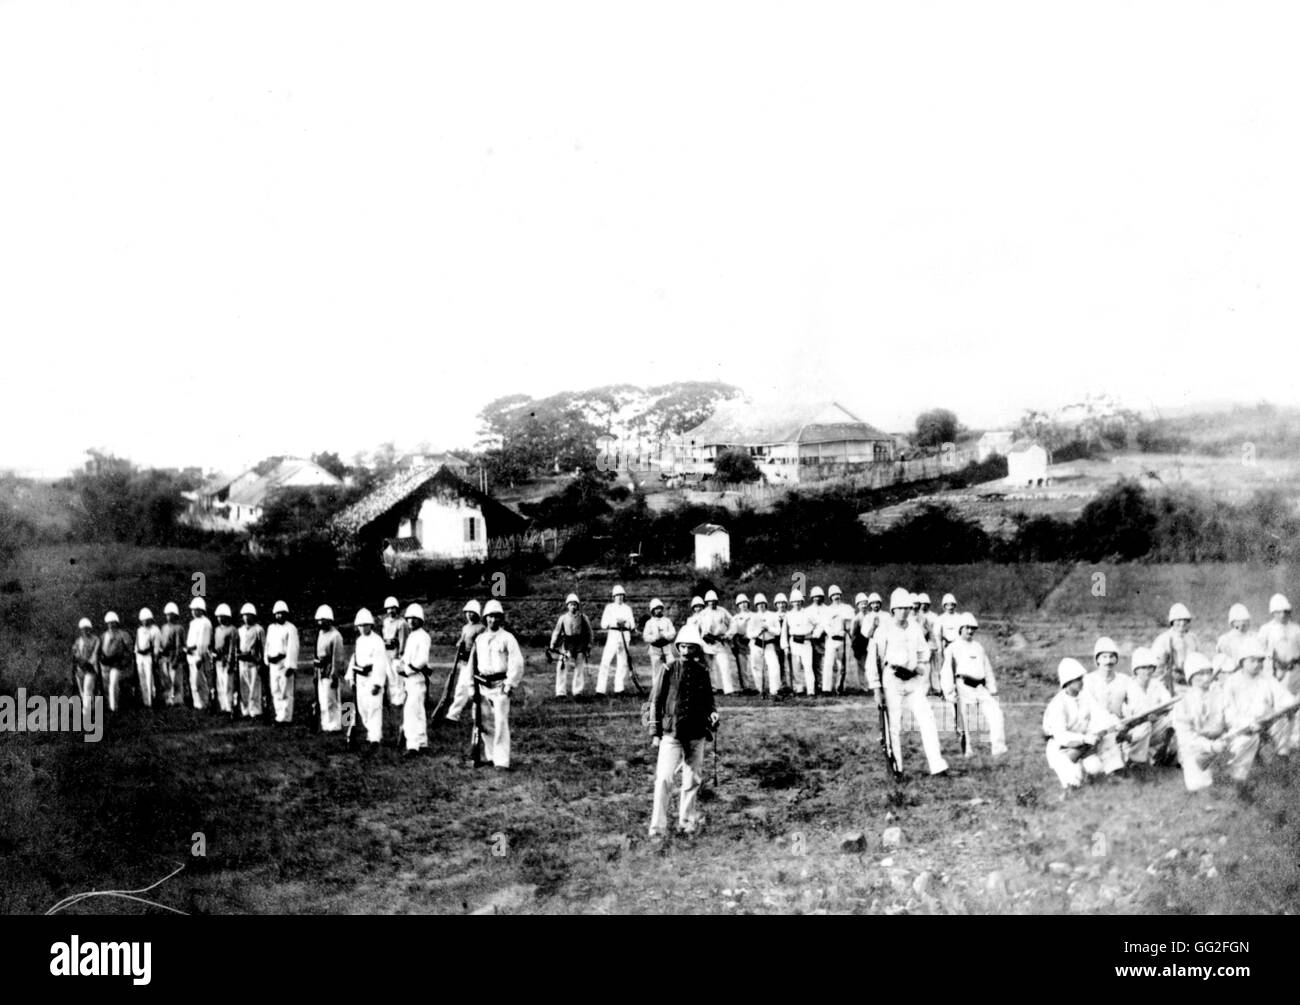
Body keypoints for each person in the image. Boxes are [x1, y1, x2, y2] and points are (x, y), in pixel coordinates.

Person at [646, 623, 719, 841]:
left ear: (697, 649)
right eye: (683, 647)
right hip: (672, 733)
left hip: (696, 733)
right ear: (678, 648)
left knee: (692, 780)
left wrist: (713, 714)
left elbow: (709, 702)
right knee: (664, 779)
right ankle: (657, 828)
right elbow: (656, 701)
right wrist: (655, 732)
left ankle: (687, 823)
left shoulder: (702, 672)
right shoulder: (668, 669)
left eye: (691, 648)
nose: (687, 652)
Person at [870, 588, 949, 777]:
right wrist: (876, 689)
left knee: (927, 718)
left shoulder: (914, 628)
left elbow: (924, 653)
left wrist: (917, 671)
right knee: (894, 725)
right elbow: (874, 660)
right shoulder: (883, 630)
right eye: (900, 608)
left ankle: (937, 765)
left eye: (907, 608)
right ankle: (896, 767)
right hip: (892, 679)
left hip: (912, 680)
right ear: (893, 610)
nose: (904, 611)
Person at [1222, 640, 1297, 787]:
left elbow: (1283, 697)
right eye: (1253, 661)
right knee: (1245, 742)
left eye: (1260, 661)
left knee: (1286, 719)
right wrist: (1247, 724)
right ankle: (1239, 782)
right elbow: (1229, 712)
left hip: (1266, 722)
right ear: (1242, 662)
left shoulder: (1267, 679)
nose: (1257, 664)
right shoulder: (1232, 682)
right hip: (1242, 726)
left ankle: (1282, 761)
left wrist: (1291, 705)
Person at [1042, 657, 1123, 790]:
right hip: (1060, 749)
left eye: (1081, 678)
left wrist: (1115, 723)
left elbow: (1100, 713)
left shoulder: (1085, 696)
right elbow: (1061, 736)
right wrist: (1084, 739)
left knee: (1095, 768)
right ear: (1068, 682)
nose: (1081, 682)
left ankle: (1111, 771)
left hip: (1084, 744)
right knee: (1074, 784)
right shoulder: (1058, 704)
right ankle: (1075, 772)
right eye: (1077, 679)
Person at [466, 599, 526, 769]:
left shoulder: (508, 638)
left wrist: (509, 685)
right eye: (490, 617)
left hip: (500, 686)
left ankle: (501, 761)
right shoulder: (480, 639)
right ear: (485, 618)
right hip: (482, 686)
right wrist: (471, 687)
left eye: (496, 617)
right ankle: (490, 755)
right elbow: (471, 665)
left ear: (501, 619)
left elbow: (517, 663)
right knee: (484, 723)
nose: (493, 620)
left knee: (500, 722)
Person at [940, 613, 1007, 757]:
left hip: (980, 687)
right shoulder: (952, 648)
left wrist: (992, 687)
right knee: (963, 720)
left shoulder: (978, 647)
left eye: (973, 629)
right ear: (960, 629)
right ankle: (967, 750)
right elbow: (946, 671)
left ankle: (998, 748)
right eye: (967, 628)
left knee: (996, 713)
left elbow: (987, 667)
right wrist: (949, 692)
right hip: (963, 686)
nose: (970, 631)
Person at [1171, 653, 1231, 792]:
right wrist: (1210, 746)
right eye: (1200, 674)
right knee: (1199, 787)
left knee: (1233, 781)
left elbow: (1232, 719)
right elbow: (1186, 737)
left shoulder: (1221, 696)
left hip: (1222, 742)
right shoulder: (1182, 704)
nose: (1205, 678)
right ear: (1191, 678)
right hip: (1196, 750)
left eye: (1208, 673)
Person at [1119, 647, 1176, 768]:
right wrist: (1144, 720)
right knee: (1145, 726)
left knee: (1175, 720)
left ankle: (1168, 754)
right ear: (1136, 670)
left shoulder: (1157, 685)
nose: (1147, 671)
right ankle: (1135, 760)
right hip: (1134, 733)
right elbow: (1125, 718)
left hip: (1154, 727)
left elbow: (1169, 704)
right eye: (1143, 668)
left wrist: (1160, 714)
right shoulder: (1128, 687)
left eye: (1150, 667)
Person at [1258, 593, 1300, 748]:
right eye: (1279, 612)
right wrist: (1271, 669)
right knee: (1279, 708)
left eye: (1286, 611)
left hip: (1296, 672)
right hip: (1276, 673)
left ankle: (1290, 743)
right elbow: (1260, 652)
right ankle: (1276, 742)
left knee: (1294, 707)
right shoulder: (1266, 630)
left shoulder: (1296, 629)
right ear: (1273, 613)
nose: (1283, 615)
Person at [347, 608, 387, 751]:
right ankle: (369, 733)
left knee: (374, 708)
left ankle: (375, 738)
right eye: (360, 625)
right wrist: (351, 677)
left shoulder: (377, 641)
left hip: (372, 678)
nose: (363, 628)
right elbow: (354, 659)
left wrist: (377, 683)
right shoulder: (359, 641)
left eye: (365, 625)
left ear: (371, 625)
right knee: (363, 709)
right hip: (360, 678)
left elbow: (381, 663)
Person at [397, 603, 432, 755]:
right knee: (418, 711)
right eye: (409, 618)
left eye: (415, 618)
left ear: (421, 620)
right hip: (410, 679)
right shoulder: (411, 636)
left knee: (411, 711)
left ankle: (412, 745)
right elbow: (406, 657)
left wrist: (407, 670)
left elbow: (422, 660)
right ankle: (422, 742)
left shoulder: (423, 636)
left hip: (416, 677)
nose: (411, 621)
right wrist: (400, 665)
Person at [443, 601, 486, 724]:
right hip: (465, 662)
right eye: (467, 612)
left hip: (476, 663)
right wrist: (459, 644)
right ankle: (453, 715)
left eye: (472, 613)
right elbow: (461, 640)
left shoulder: (481, 628)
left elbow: (480, 645)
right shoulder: (465, 627)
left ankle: (477, 716)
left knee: (475, 690)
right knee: (460, 688)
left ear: (477, 614)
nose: (469, 615)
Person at [550, 593, 593, 697]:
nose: (573, 607)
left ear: (578, 606)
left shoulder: (583, 617)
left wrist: (589, 645)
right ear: (567, 605)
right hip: (567, 643)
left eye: (575, 604)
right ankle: (560, 692)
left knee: (579, 667)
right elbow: (556, 631)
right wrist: (552, 643)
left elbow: (589, 632)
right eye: (571, 604)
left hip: (580, 643)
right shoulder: (563, 618)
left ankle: (577, 691)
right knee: (562, 666)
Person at [1150, 603, 1200, 693]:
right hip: (1170, 683)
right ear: (1172, 621)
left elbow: (1197, 661)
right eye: (1178, 620)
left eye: (1185, 620)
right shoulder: (1163, 639)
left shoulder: (1192, 638)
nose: (1182, 623)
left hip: (1189, 680)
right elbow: (1157, 668)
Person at [265, 600, 300, 724]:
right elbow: (267, 645)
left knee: (285, 690)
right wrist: (267, 659)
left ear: (286, 614)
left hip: (284, 663)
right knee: (275, 690)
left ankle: (286, 717)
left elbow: (293, 648)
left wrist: (290, 665)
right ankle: (278, 715)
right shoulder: (271, 628)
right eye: (277, 613)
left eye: (282, 613)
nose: (279, 616)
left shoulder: (291, 628)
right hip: (273, 664)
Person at [597, 585, 636, 695]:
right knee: (605, 661)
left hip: (624, 636)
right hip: (613, 635)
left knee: (622, 663)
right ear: (613, 597)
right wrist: (615, 623)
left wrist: (625, 623)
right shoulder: (609, 608)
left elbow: (632, 624)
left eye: (621, 595)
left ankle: (619, 688)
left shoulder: (628, 608)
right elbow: (603, 624)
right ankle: (600, 689)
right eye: (617, 595)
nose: (619, 597)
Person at [697, 590, 737, 696]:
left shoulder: (722, 611)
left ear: (717, 601)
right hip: (707, 642)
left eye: (714, 601)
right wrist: (700, 640)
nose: (712, 603)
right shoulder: (703, 613)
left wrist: (728, 635)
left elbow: (733, 623)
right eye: (709, 601)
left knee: (725, 666)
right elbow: (698, 629)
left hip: (719, 641)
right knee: (709, 668)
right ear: (706, 602)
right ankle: (712, 688)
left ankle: (728, 690)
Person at [381, 596, 410, 741]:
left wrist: (400, 656)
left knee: (398, 679)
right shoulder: (386, 622)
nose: (391, 611)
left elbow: (403, 641)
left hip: (396, 654)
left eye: (393, 608)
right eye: (389, 608)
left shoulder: (402, 623)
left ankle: (399, 700)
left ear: (397, 609)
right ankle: (392, 699)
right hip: (386, 653)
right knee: (389, 678)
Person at [313, 605, 346, 732]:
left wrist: (334, 675)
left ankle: (335, 725)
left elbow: (337, 658)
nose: (320, 622)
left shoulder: (336, 636)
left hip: (329, 670)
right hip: (320, 670)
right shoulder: (320, 634)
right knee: (323, 699)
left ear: (329, 620)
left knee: (332, 699)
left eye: (323, 620)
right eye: (319, 620)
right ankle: (326, 724)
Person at [1083, 636, 1131, 719]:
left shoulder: (1125, 680)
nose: (1108, 661)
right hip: (1096, 727)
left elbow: (1131, 704)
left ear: (1116, 659)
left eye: (1112, 656)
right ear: (1097, 660)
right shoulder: (1088, 680)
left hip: (1120, 725)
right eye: (1104, 657)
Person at [818, 586, 855, 694]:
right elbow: (825, 625)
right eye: (833, 595)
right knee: (828, 663)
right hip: (831, 640)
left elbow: (850, 625)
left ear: (840, 595)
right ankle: (826, 688)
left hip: (843, 640)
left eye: (838, 594)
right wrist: (831, 633)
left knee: (842, 665)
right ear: (830, 597)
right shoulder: (827, 610)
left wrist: (847, 630)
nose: (836, 597)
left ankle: (840, 687)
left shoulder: (847, 608)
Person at [782, 589, 817, 696]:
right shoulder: (788, 615)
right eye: (794, 601)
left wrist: (814, 634)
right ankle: (799, 689)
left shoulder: (808, 613)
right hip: (794, 643)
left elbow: (818, 624)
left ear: (802, 602)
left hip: (806, 643)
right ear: (791, 602)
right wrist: (785, 646)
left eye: (799, 601)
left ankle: (811, 691)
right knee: (796, 668)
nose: (797, 603)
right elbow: (784, 632)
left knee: (808, 667)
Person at [747, 593, 783, 697]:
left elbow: (778, 631)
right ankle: (760, 689)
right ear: (756, 605)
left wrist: (768, 628)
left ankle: (774, 690)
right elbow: (749, 633)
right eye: (758, 604)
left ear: (766, 604)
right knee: (757, 667)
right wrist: (758, 632)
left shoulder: (772, 615)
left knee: (774, 666)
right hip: (757, 644)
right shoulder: (753, 617)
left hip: (769, 644)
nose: (761, 605)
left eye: (763, 603)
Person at [98, 612, 134, 713]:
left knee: (113, 684)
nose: (111, 624)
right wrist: (101, 659)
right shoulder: (103, 636)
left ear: (116, 623)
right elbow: (99, 650)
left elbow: (130, 650)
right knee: (106, 686)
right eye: (109, 623)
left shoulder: (123, 635)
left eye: (113, 622)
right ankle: (110, 706)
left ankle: (114, 708)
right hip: (105, 665)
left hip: (117, 664)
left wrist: (123, 662)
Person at [235, 602, 266, 719]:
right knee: (244, 687)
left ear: (254, 616)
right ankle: (245, 710)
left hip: (254, 662)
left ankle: (256, 710)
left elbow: (263, 647)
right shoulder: (240, 630)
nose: (246, 617)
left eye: (249, 615)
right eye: (244, 615)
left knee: (254, 687)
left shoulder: (259, 630)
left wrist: (262, 662)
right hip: (242, 661)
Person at [185, 597, 214, 711]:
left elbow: (203, 641)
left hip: (199, 655)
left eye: (195, 609)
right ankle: (197, 703)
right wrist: (188, 648)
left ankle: (205, 703)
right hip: (191, 655)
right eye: (192, 609)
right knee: (193, 681)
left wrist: (200, 656)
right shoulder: (193, 623)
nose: (193, 611)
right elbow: (191, 639)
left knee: (200, 680)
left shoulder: (205, 623)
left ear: (200, 610)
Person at [211, 604, 239, 715]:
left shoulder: (232, 630)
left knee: (228, 684)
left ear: (226, 617)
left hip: (227, 660)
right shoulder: (217, 629)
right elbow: (215, 645)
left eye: (221, 616)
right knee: (220, 684)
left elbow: (232, 648)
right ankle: (223, 707)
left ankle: (229, 707)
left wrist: (230, 663)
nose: (219, 618)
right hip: (218, 660)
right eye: (217, 616)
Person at [157, 601, 187, 706]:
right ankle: (168, 699)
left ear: (175, 616)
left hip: (174, 656)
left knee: (176, 680)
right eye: (167, 615)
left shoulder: (179, 628)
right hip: (165, 657)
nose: (169, 617)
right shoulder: (164, 627)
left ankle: (177, 700)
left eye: (171, 615)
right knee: (166, 680)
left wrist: (176, 659)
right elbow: (161, 642)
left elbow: (179, 645)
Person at [642, 598, 677, 689]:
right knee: (657, 670)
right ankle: (657, 689)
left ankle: (671, 688)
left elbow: (673, 633)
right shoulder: (649, 623)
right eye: (656, 609)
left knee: (671, 667)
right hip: (655, 649)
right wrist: (654, 638)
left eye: (660, 608)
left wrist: (664, 635)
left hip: (666, 648)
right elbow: (646, 636)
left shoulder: (667, 621)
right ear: (652, 610)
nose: (659, 610)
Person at [72, 617, 101, 719]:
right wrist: (79, 664)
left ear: (90, 628)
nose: (85, 630)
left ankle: (86, 714)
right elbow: (76, 654)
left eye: (87, 628)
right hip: (80, 669)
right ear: (81, 630)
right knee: (83, 692)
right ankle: (92, 707)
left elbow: (95, 654)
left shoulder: (96, 640)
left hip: (91, 669)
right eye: (83, 629)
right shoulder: (78, 641)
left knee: (87, 689)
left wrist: (90, 663)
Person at [1214, 604, 1254, 676]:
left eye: (1245, 621)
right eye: (1238, 621)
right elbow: (1222, 662)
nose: (1242, 623)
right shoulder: (1225, 640)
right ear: (1232, 623)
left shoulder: (1253, 637)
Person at [728, 594, 756, 693]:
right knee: (742, 665)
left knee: (754, 664)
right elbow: (732, 631)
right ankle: (746, 687)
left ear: (748, 603)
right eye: (741, 603)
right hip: (740, 642)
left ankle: (755, 686)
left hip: (753, 641)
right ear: (738, 605)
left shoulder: (754, 615)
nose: (743, 605)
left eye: (745, 603)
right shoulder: (735, 618)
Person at [134, 608, 162, 709]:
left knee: (150, 679)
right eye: (143, 620)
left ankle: (151, 701)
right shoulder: (139, 630)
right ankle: (145, 702)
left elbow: (156, 646)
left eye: (147, 619)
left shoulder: (155, 630)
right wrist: (137, 654)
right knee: (142, 679)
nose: (145, 622)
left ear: (151, 619)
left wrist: (155, 658)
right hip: (140, 658)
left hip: (149, 657)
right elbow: (137, 645)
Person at [807, 586, 828, 693]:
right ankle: (813, 684)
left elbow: (827, 624)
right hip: (811, 640)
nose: (817, 598)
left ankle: (822, 684)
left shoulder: (827, 609)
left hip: (824, 639)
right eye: (815, 597)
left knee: (823, 663)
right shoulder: (808, 610)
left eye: (819, 596)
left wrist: (821, 632)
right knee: (812, 663)